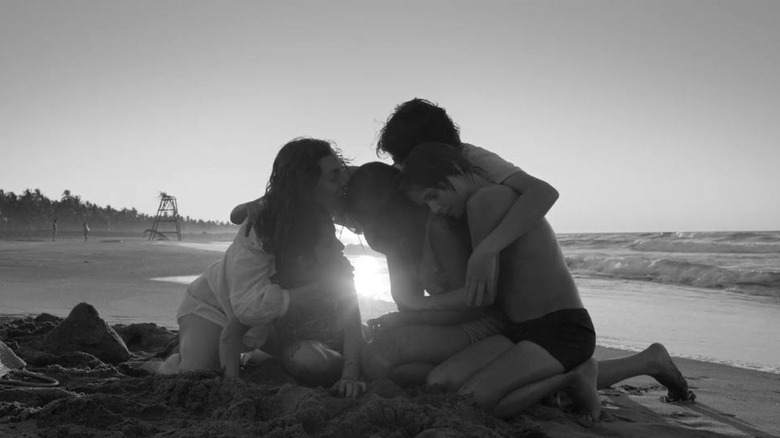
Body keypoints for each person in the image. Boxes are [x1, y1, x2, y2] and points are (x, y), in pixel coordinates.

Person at [349, 162, 693, 408]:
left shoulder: (483, 204)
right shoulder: (443, 218)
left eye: (434, 197)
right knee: (441, 384)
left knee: (476, 399)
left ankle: (583, 375)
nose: (434, 208)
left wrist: (416, 310)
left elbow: (480, 297)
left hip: (560, 329)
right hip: (519, 330)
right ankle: (642, 361)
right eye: (426, 202)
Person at [148, 138, 365, 398]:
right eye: (333, 175)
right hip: (215, 305)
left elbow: (351, 317)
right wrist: (317, 290)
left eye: (341, 169)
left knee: (293, 352)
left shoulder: (325, 218)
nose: (343, 181)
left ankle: (242, 354)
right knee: (196, 375)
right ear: (307, 185)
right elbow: (242, 314)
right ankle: (167, 363)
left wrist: (350, 374)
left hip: (265, 320)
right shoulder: (265, 232)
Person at [377, 98, 559, 307]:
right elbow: (433, 210)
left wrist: (487, 250)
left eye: (403, 160)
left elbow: (543, 192)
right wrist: (428, 257)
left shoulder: (473, 159)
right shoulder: (432, 182)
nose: (400, 167)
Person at [345, 162, 507, 386]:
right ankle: (453, 372)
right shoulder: (400, 241)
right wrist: (400, 318)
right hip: (448, 323)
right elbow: (405, 300)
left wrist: (403, 318)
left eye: (370, 223)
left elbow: (472, 305)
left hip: (482, 323)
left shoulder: (439, 230)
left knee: (379, 357)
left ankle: (470, 368)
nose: (368, 234)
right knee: (376, 357)